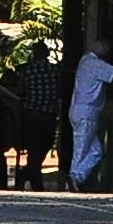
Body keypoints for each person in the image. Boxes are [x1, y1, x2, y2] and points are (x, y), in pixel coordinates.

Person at [67, 38, 113, 191]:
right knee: (81, 148)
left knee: (95, 151)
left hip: (81, 110)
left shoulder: (85, 60)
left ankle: (78, 175)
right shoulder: (95, 64)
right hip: (87, 112)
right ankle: (74, 176)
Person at [15, 43, 69, 190]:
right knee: (45, 145)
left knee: (34, 148)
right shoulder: (55, 70)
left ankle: (29, 174)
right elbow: (60, 89)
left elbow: (21, 90)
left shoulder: (28, 71)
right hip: (49, 114)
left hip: (31, 113)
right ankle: (33, 177)